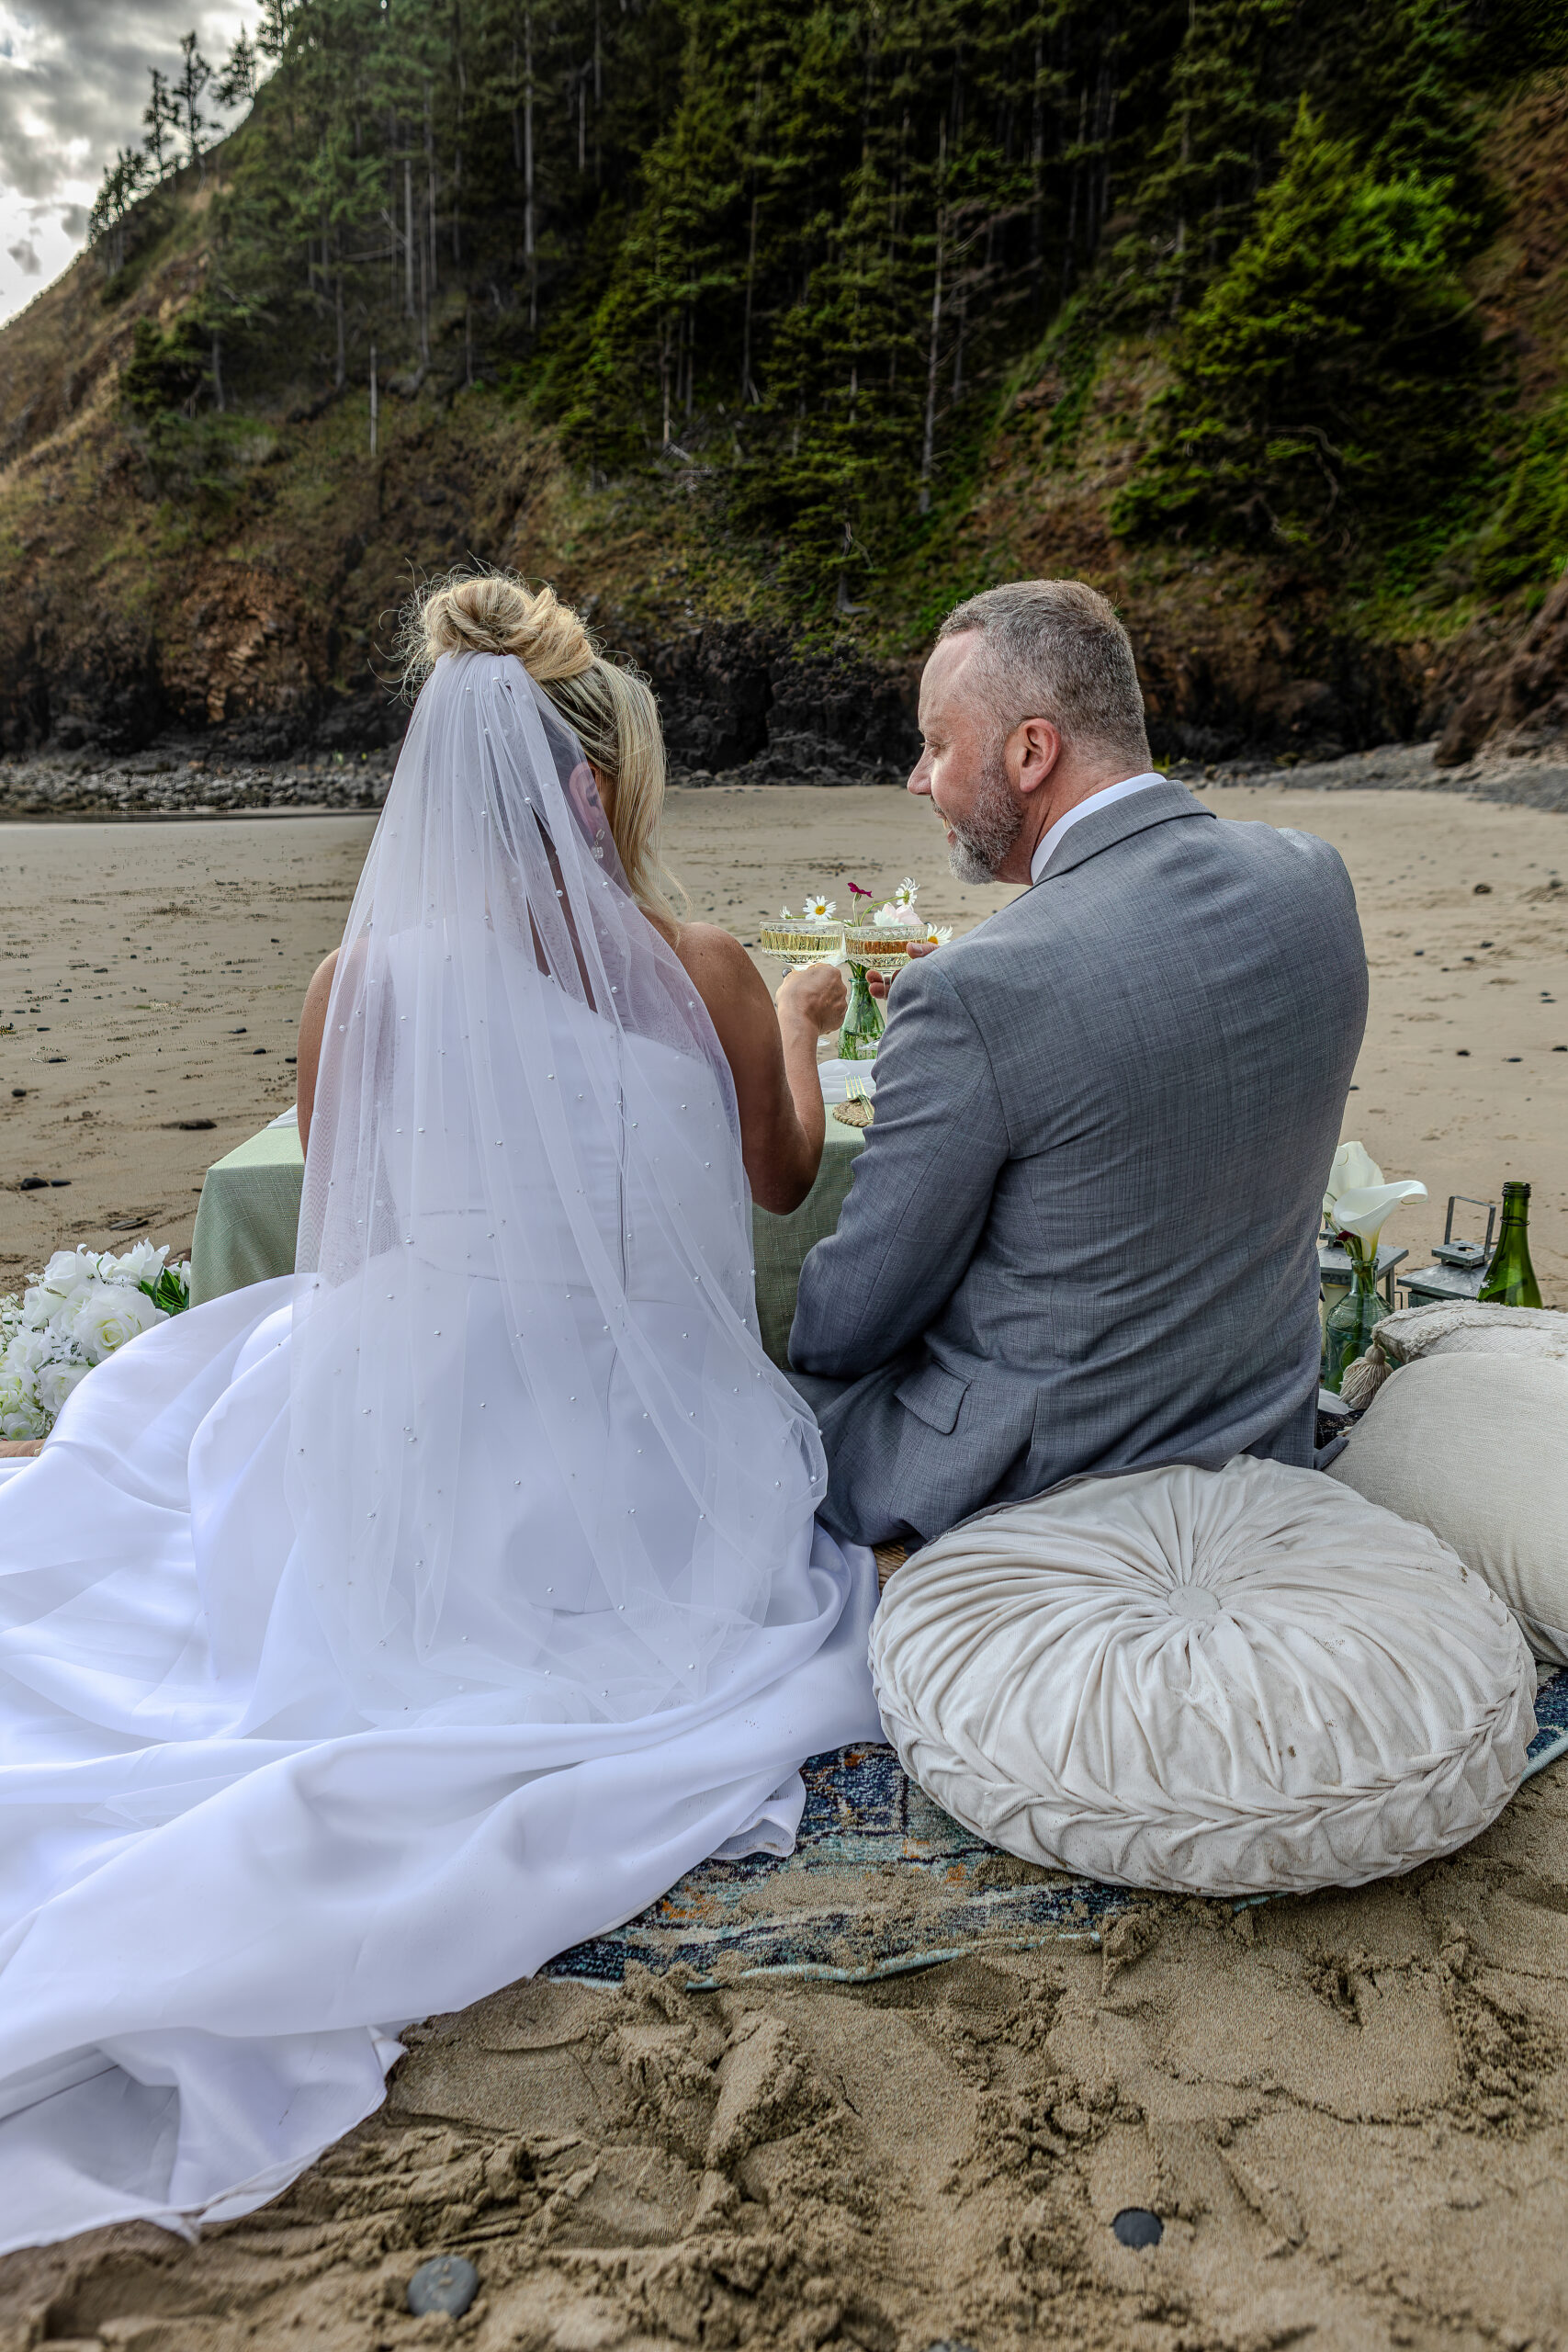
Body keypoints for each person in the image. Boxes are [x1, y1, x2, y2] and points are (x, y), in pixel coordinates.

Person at [0, 571, 878, 2257]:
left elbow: (350, 1214)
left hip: (420, 1406)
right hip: (643, 1441)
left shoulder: (357, 984)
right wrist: (802, 1023)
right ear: (597, 787)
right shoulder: (703, 966)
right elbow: (778, 1180)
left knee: (181, 1436)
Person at [789, 579, 1369, 1548]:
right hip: (1259, 1436)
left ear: (1031, 751)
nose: (917, 778)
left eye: (936, 744)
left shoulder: (977, 991)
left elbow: (848, 1324)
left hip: (1040, 1483)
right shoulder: (1315, 879)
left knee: (750, 1399)